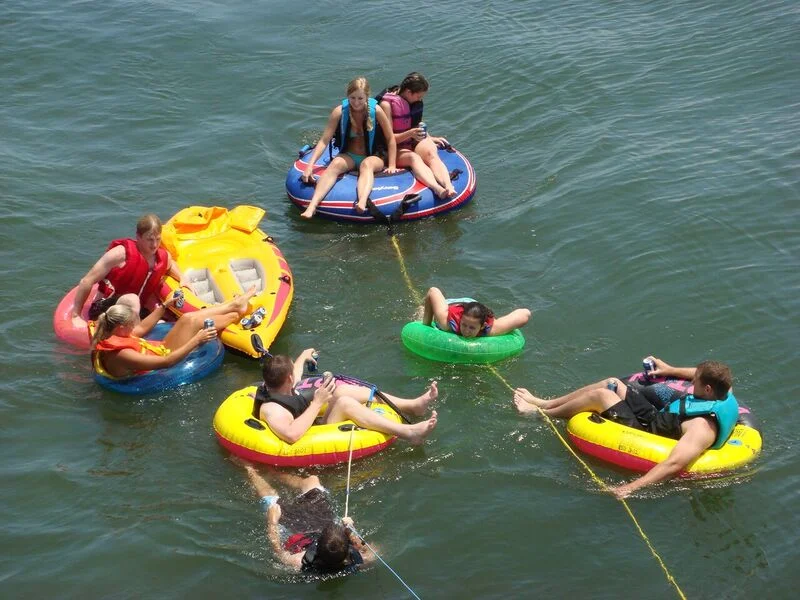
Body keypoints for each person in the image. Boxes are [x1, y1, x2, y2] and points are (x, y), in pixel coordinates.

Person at [512, 357, 740, 498]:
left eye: (697, 381)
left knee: (602, 396)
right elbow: (698, 373)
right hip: (657, 419)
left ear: (708, 389)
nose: (692, 382)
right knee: (612, 383)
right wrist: (668, 369)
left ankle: (542, 415)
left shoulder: (701, 426)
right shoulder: (724, 392)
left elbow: (675, 463)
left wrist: (630, 488)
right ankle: (544, 402)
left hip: (646, 433)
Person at [253, 349, 438, 445]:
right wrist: (317, 402)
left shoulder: (278, 385)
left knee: (341, 391)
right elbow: (292, 435)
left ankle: (412, 405)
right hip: (312, 437)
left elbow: (296, 374)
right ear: (289, 378)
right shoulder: (272, 409)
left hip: (314, 424)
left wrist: (303, 355)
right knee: (345, 403)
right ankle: (408, 433)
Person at [235, 458, 373, 574]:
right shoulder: (359, 560)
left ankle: (250, 469)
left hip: (298, 531)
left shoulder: (300, 561)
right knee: (312, 481)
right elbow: (371, 552)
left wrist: (272, 522)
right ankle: (274, 472)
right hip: (322, 520)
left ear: (317, 547)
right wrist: (351, 533)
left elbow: (279, 552)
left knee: (270, 498)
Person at [90, 287, 256, 378]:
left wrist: (164, 306)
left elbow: (142, 329)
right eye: (131, 324)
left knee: (186, 319)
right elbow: (167, 362)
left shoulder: (112, 332)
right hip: (162, 363)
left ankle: (234, 306)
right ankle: (236, 313)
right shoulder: (122, 354)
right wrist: (197, 340)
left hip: (158, 351)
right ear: (121, 327)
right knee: (194, 323)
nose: (135, 327)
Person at [300, 77, 398, 218]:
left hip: (374, 156)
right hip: (350, 156)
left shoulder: (376, 111)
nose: (356, 102)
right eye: (352, 98)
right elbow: (324, 141)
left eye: (360, 98)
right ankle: (312, 206)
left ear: (366, 97)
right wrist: (310, 166)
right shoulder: (339, 112)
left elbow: (390, 139)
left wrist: (392, 164)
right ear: (347, 96)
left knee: (367, 164)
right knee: (336, 164)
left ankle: (362, 202)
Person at [71, 214, 191, 329]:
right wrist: (76, 315)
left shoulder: (160, 257)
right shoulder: (120, 254)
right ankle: (136, 330)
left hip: (135, 312)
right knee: (132, 299)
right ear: (138, 237)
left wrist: (182, 278)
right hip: (108, 309)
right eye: (150, 239)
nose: (154, 244)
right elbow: (87, 281)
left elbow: (170, 264)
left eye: (158, 239)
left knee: (162, 321)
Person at [378, 72, 456, 199]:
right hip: (392, 149)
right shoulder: (386, 105)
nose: (420, 99)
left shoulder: (412, 102)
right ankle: (437, 188)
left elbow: (414, 124)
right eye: (418, 96)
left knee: (431, 152)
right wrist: (411, 133)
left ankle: (448, 185)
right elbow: (389, 138)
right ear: (409, 92)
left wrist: (429, 137)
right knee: (413, 157)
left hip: (410, 140)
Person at [422, 286, 531, 338]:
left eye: (472, 328)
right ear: (461, 320)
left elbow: (525, 313)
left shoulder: (491, 330)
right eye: (464, 325)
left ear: (482, 326)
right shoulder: (447, 323)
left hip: (475, 308)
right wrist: (425, 325)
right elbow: (433, 291)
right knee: (421, 311)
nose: (466, 331)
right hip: (453, 305)